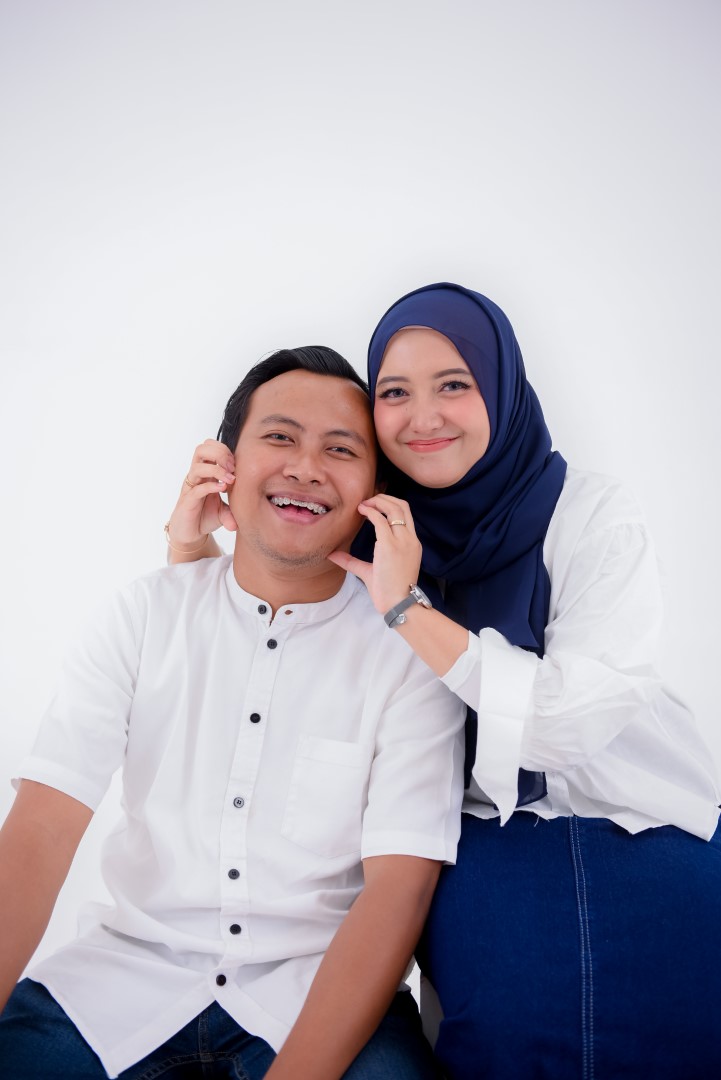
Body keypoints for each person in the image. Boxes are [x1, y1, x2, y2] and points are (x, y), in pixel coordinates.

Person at [165, 284, 721, 1079]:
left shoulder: (589, 515)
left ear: (500, 386)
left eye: (453, 384)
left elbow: (564, 726)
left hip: (641, 825)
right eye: (394, 393)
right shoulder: (368, 529)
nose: (422, 416)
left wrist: (407, 609)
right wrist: (194, 556)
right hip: (472, 853)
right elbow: (253, 682)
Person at [0, 346, 467, 1080]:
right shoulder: (142, 615)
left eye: (340, 450)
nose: (306, 468)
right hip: (118, 985)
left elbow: (398, 891)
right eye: (279, 437)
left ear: (376, 491)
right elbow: (40, 830)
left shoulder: (409, 652)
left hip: (318, 993)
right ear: (225, 464)